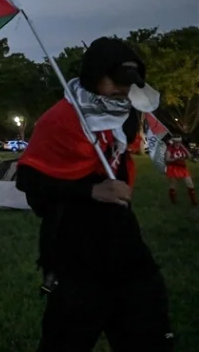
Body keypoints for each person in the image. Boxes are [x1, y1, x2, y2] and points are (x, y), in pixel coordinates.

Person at [15, 37, 173, 351]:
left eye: (130, 82)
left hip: (125, 243)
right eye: (116, 80)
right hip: (75, 250)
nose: (123, 90)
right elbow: (29, 180)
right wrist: (91, 190)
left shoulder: (126, 115)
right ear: (93, 75)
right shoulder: (60, 119)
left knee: (149, 329)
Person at [165, 136, 196, 205]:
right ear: (173, 142)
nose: (178, 143)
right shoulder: (170, 148)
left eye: (179, 142)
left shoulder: (182, 147)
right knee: (173, 185)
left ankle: (193, 201)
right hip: (173, 168)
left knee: (190, 184)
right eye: (177, 142)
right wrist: (176, 158)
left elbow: (189, 156)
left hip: (183, 168)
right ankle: (173, 200)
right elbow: (167, 159)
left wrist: (192, 159)